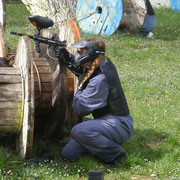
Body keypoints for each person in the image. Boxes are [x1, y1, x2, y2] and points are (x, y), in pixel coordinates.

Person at [61, 38, 134, 166]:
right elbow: (86, 71)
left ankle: (115, 154)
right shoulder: (102, 62)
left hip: (119, 123)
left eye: (82, 52)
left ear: (91, 54)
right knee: (69, 154)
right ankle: (99, 143)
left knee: (79, 131)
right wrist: (68, 58)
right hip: (105, 120)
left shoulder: (99, 80)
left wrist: (78, 88)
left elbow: (80, 109)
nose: (79, 55)